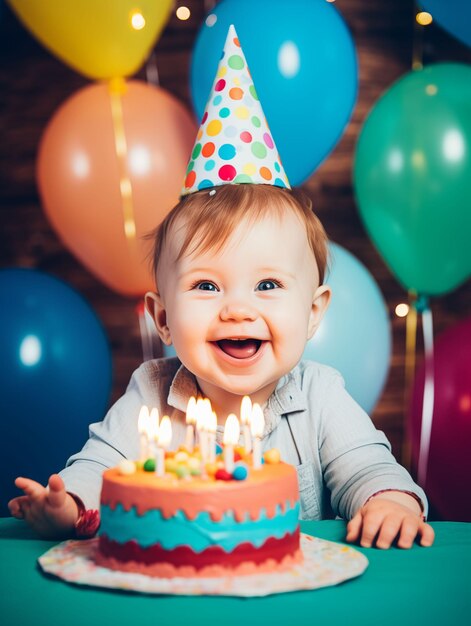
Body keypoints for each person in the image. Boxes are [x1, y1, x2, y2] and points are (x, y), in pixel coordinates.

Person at [9, 25, 434, 551]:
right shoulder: (151, 392)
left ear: (314, 310)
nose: (237, 309)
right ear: (161, 316)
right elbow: (99, 465)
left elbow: (366, 464)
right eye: (207, 285)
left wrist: (388, 500)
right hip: (176, 589)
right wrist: (70, 503)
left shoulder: (320, 395)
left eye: (268, 285)